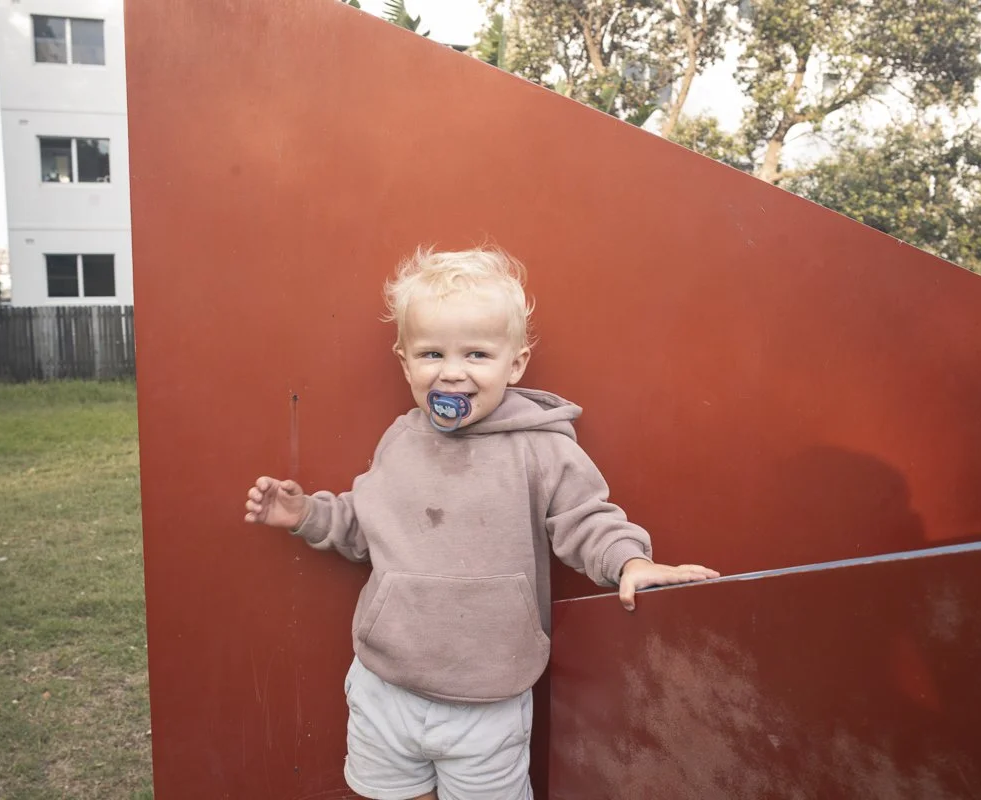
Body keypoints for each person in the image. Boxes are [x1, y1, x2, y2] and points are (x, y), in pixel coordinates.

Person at [244, 247, 719, 800]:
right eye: (430, 353)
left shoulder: (541, 448)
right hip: (385, 686)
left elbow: (587, 520)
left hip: (489, 696)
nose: (451, 371)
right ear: (404, 362)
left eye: (476, 353)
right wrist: (306, 514)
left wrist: (630, 561)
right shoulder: (399, 440)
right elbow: (364, 527)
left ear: (514, 364)